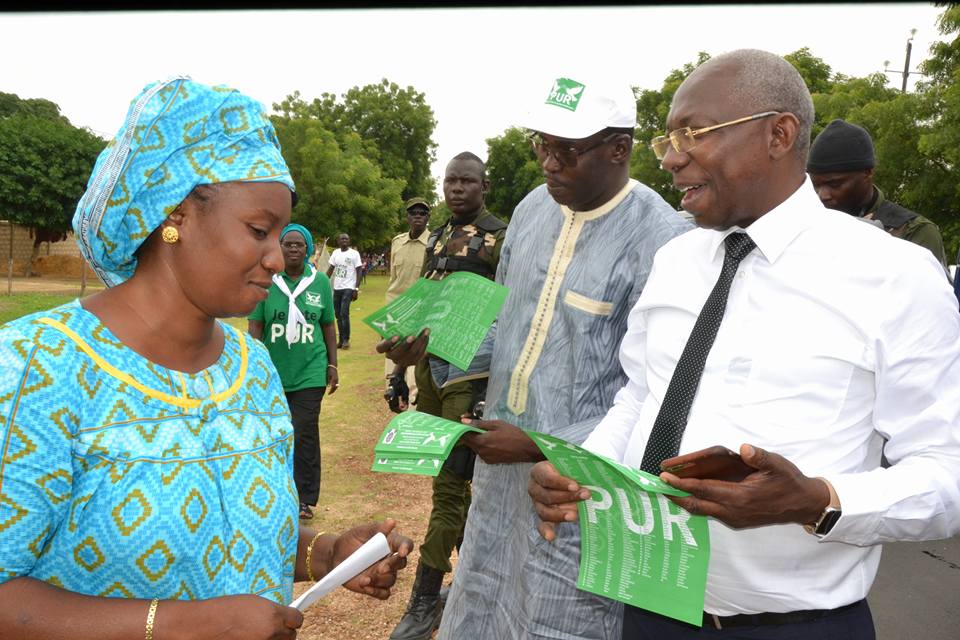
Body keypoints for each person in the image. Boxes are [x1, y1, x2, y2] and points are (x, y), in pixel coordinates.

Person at [529, 49, 960, 639]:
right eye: (668, 139)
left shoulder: (895, 275)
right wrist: (586, 470)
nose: (673, 159)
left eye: (693, 133)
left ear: (779, 134)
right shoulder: (677, 259)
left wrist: (816, 501)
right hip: (649, 608)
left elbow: (947, 473)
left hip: (794, 624)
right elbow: (641, 396)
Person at [0, 77, 413, 640]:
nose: (277, 256)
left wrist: (324, 553)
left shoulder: (253, 366)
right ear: (176, 215)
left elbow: (234, 533)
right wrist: (175, 625)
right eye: (259, 230)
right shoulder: (36, 364)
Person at [380, 75, 691, 639]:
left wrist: (538, 444)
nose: (548, 163)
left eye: (566, 150)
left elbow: (661, 391)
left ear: (619, 149)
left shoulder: (666, 240)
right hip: (499, 470)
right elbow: (508, 318)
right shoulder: (530, 211)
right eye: (540, 144)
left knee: (560, 617)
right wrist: (437, 342)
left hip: (579, 486)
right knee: (484, 600)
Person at [385, 153, 508, 640]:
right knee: (442, 478)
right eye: (450, 181)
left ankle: (423, 601)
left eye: (466, 181)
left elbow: (516, 307)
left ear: (484, 185)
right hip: (433, 371)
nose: (456, 189)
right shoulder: (434, 235)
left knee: (452, 486)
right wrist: (400, 371)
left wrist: (494, 384)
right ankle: (471, 578)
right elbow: (424, 304)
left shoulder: (503, 236)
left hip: (471, 377)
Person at [248, 223, 338, 521]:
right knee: (275, 432)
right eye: (288, 244)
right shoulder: (267, 280)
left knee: (304, 432)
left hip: (310, 371)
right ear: (280, 247)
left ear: (309, 249)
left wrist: (332, 364)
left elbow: (327, 324)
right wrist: (254, 364)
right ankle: (275, 490)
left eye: (300, 244)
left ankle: (304, 497)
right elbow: (256, 325)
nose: (294, 249)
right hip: (273, 371)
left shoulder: (321, 282)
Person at [807, 118, 949, 269]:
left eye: (834, 184)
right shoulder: (806, 225)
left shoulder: (914, 231)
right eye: (815, 185)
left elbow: (926, 290)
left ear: (868, 173)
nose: (823, 195)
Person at [383, 197, 432, 412]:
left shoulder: (435, 242)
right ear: (407, 217)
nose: (418, 216)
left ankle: (412, 420)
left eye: (422, 213)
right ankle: (396, 409)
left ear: (428, 217)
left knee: (414, 373)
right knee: (391, 371)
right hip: (395, 313)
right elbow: (393, 279)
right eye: (414, 213)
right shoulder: (397, 242)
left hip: (421, 313)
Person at [326, 232, 362, 349]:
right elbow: (331, 269)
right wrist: (322, 281)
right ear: (338, 241)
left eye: (346, 239)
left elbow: (359, 271)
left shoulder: (354, 254)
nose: (344, 241)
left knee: (344, 313)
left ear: (349, 241)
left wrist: (356, 288)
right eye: (342, 239)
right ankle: (340, 340)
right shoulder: (335, 253)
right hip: (337, 288)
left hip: (349, 287)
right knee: (337, 315)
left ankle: (346, 340)